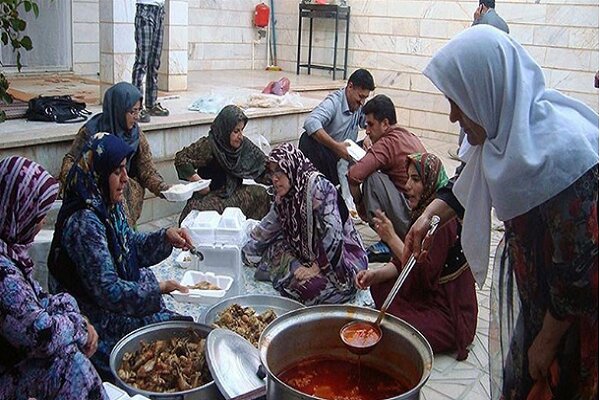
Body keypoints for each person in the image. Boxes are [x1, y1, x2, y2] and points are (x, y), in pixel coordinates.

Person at [406, 25, 598, 399]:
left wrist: (547, 338)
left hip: (573, 315)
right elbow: (469, 182)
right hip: (540, 301)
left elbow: (583, 270)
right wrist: (428, 217)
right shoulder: (504, 136)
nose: (452, 117)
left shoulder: (563, 155)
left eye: (457, 102)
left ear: (485, 90)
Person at [49, 133, 193, 378]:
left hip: (103, 296)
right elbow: (108, 291)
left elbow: (129, 244)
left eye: (125, 169)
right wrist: (159, 288)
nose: (126, 179)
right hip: (90, 313)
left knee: (165, 309)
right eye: (117, 172)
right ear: (99, 173)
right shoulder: (85, 222)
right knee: (174, 334)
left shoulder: (105, 203)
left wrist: (165, 237)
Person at [0, 156, 108, 400]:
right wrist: (80, 325)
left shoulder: (10, 251)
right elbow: (41, 334)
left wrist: (163, 239)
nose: (40, 224)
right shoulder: (3, 273)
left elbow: (38, 298)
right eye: (37, 216)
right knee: (70, 364)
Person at [356, 153, 477, 360]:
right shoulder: (422, 213)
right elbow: (403, 262)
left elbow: (422, 276)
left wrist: (392, 238)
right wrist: (374, 276)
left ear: (429, 182)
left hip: (447, 309)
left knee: (401, 332)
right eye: (408, 178)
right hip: (427, 293)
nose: (407, 186)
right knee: (381, 286)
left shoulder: (441, 222)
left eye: (416, 180)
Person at [242, 143, 368, 305]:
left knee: (312, 289)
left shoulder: (319, 189)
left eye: (279, 172)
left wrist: (316, 267)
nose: (274, 178)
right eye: (272, 172)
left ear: (291, 168)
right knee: (271, 251)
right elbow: (269, 226)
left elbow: (333, 236)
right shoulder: (284, 194)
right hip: (307, 251)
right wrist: (247, 250)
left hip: (339, 257)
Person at [60, 81, 170, 226]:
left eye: (139, 111)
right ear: (118, 109)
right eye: (132, 112)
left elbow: (147, 169)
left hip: (123, 195)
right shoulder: (92, 132)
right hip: (95, 196)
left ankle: (124, 231)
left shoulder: (136, 135)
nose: (137, 117)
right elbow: (71, 162)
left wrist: (164, 188)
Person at [347, 94, 426, 261]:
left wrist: (359, 204)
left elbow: (354, 176)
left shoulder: (388, 143)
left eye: (370, 125)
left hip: (411, 219)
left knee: (372, 179)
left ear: (385, 123)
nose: (367, 130)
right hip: (423, 217)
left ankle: (388, 240)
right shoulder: (407, 135)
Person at [174, 105, 271, 225]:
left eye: (241, 130)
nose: (240, 136)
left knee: (261, 194)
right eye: (236, 131)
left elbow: (262, 166)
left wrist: (280, 177)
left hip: (233, 193)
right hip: (211, 197)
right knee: (195, 215)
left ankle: (251, 233)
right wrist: (198, 182)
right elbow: (181, 159)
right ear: (225, 129)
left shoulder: (243, 146)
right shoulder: (209, 145)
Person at [298, 68, 375, 186]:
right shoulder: (334, 102)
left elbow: (369, 121)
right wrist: (336, 147)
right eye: (360, 96)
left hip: (347, 156)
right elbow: (311, 122)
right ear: (350, 87)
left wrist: (369, 136)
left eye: (365, 98)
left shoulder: (358, 106)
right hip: (329, 157)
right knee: (307, 139)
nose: (362, 102)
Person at [132, 0, 169, 123]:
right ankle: (136, 107)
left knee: (154, 62)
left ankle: (151, 104)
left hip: (159, 11)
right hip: (145, 9)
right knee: (142, 61)